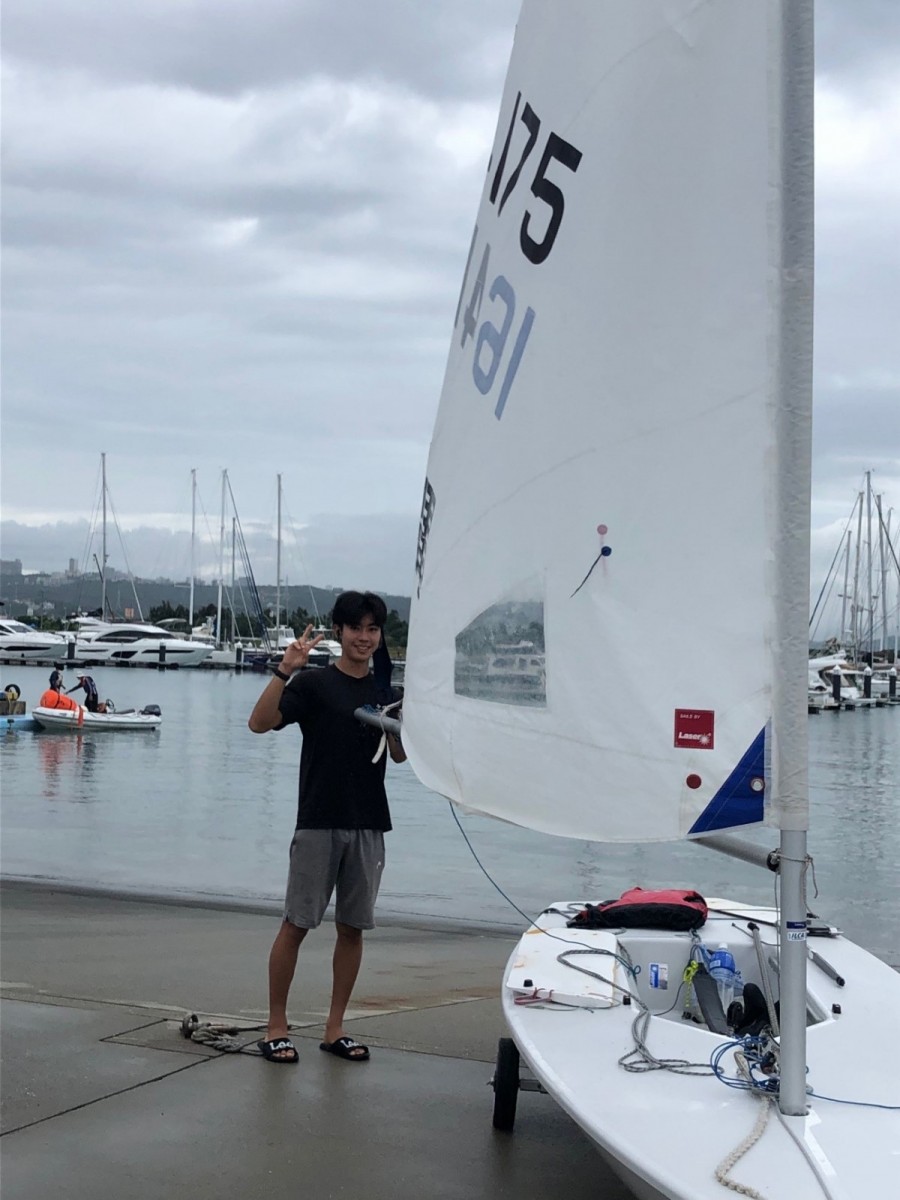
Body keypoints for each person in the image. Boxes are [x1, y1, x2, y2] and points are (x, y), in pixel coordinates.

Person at [248, 590, 406, 1066]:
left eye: (372, 629)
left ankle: (335, 1028)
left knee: (352, 929)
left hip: (368, 823)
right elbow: (259, 723)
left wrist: (401, 724)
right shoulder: (315, 684)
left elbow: (399, 755)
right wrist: (285, 669)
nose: (364, 637)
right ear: (339, 632)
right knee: (296, 924)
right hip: (318, 820)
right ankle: (277, 1027)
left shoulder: (385, 691)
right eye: (356, 628)